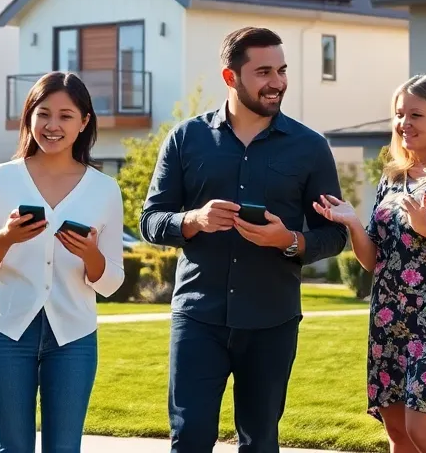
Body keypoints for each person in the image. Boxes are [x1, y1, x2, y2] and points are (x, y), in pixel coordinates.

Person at [140, 26, 349, 453]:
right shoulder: (186, 139)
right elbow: (150, 219)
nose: (277, 83)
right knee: (190, 438)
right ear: (230, 77)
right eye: (264, 72)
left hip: (272, 320)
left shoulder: (310, 148)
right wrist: (192, 220)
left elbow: (335, 234)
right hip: (199, 317)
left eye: (282, 71)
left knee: (260, 442)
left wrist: (288, 240)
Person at [315, 75, 426, 453]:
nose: (404, 123)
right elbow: (374, 260)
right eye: (399, 114)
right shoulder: (393, 177)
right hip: (389, 321)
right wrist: (351, 223)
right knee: (398, 433)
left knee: (425, 432)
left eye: (416, 114)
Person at [0, 71, 125, 453]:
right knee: (12, 448)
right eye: (43, 113)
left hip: (74, 337)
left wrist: (90, 255)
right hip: (5, 333)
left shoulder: (104, 189)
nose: (53, 125)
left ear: (84, 122)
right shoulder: (0, 178)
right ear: (29, 116)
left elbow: (111, 281)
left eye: (66, 116)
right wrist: (6, 238)